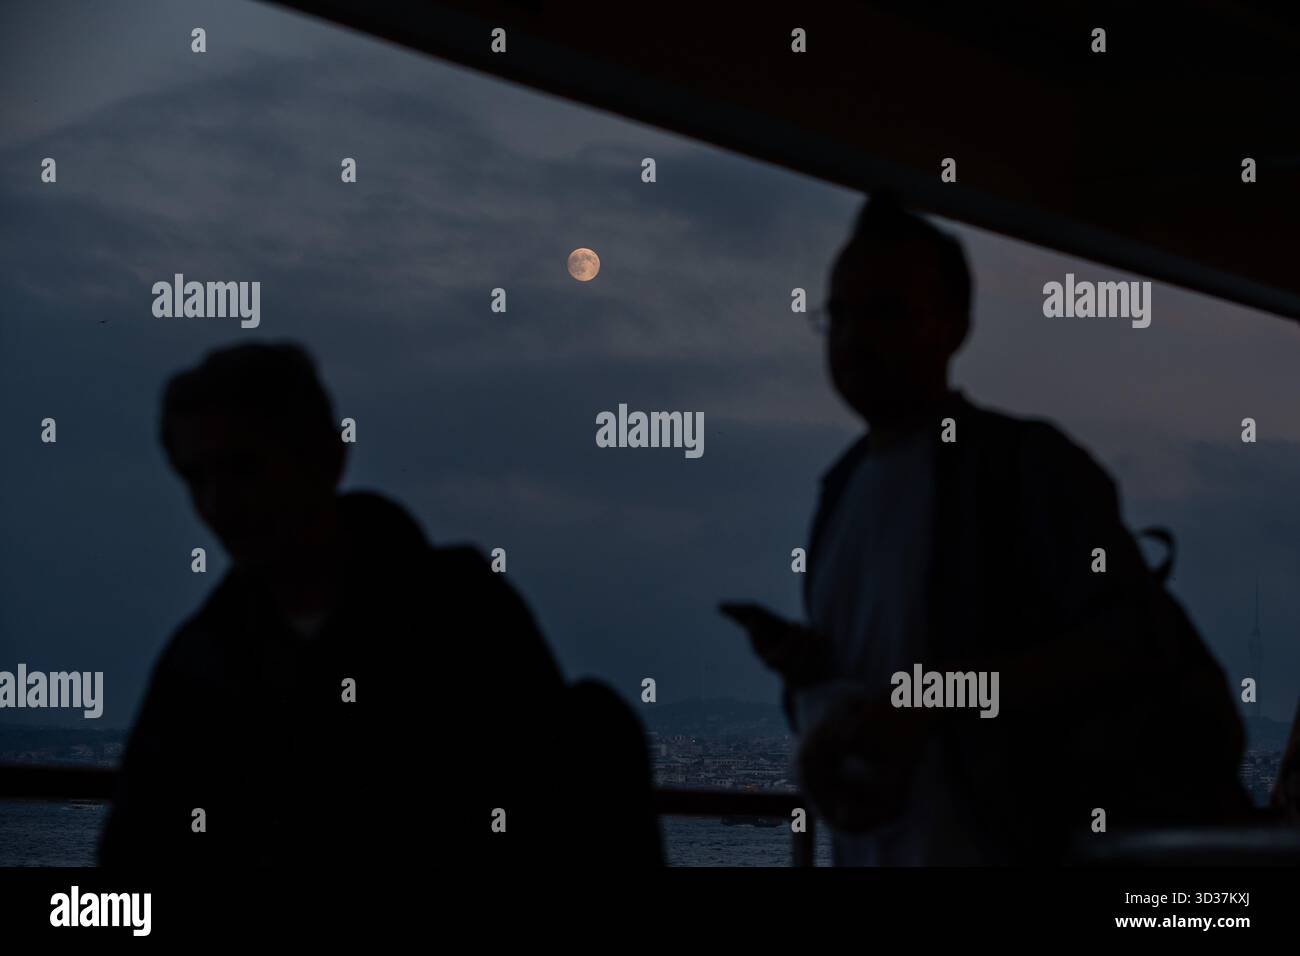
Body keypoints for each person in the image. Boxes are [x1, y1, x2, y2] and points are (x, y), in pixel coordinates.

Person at [723, 196, 1249, 865]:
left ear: (953, 325)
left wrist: (922, 705)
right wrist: (814, 671)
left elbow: (1123, 646)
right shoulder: (840, 490)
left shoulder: (1025, 470)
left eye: (882, 310)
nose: (853, 336)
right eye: (839, 313)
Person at [100, 342, 661, 868]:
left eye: (243, 467)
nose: (217, 504)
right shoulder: (463, 609)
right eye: (198, 478)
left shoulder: (203, 662)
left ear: (324, 460)